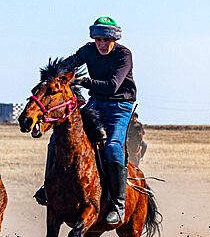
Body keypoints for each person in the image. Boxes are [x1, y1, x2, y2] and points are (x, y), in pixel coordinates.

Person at [34, 17, 136, 226]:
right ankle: (48, 187)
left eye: (106, 40)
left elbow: (113, 86)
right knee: (57, 139)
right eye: (98, 39)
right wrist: (53, 77)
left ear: (114, 39)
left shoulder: (124, 55)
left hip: (119, 106)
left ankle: (118, 204)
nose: (102, 44)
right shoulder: (87, 50)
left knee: (113, 147)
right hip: (96, 102)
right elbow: (66, 65)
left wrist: (85, 82)